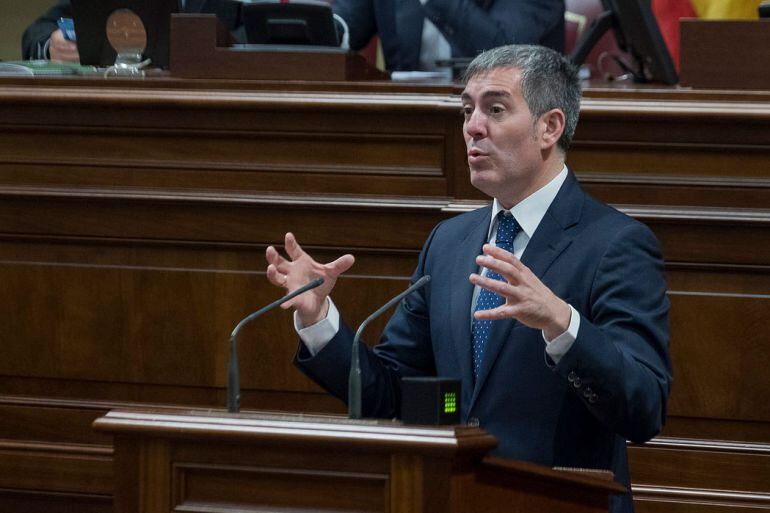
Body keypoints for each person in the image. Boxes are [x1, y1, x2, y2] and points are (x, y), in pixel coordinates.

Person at [265, 44, 672, 513]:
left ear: (550, 127)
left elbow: (644, 408)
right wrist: (320, 322)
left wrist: (562, 324)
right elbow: (392, 394)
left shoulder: (616, 244)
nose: (473, 127)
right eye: (467, 110)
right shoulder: (449, 243)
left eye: (495, 110)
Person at [333, 0, 565, 71]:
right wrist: (324, 29)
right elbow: (343, 26)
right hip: (409, 119)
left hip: (504, 127)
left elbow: (504, 53)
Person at [21, 0, 243, 62]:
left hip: (215, 110)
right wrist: (52, 45)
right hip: (126, 110)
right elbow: (37, 32)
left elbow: (254, 38)